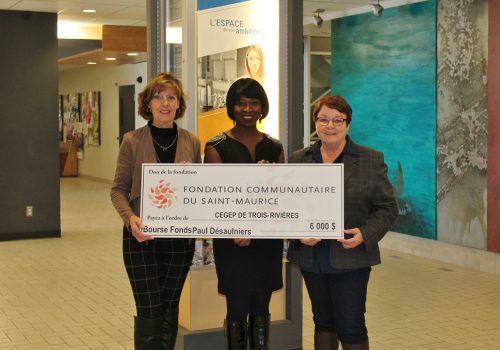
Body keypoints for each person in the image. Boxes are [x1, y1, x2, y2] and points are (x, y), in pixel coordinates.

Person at [288, 95, 398, 350]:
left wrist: (365, 233)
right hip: (312, 257)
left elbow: (387, 208)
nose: (330, 126)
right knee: (323, 321)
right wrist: (298, 234)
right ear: (315, 123)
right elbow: (287, 208)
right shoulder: (299, 159)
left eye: (338, 120)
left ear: (348, 124)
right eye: (324, 119)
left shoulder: (371, 160)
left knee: (351, 325)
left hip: (352, 258)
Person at [110, 72, 201, 350]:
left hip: (178, 241)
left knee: (169, 307)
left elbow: (198, 192)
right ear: (147, 103)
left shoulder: (192, 142)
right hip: (141, 238)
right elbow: (118, 190)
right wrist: (130, 218)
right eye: (158, 97)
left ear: (178, 104)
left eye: (171, 97)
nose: (165, 103)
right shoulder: (132, 141)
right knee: (150, 307)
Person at [204, 78, 284, 350]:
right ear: (231, 107)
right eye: (240, 103)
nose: (247, 108)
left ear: (262, 108)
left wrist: (268, 181)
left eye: (254, 102)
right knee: (237, 306)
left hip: (266, 242)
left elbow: (281, 198)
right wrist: (239, 228)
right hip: (232, 241)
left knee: (262, 304)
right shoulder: (216, 146)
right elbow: (214, 199)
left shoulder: (274, 147)